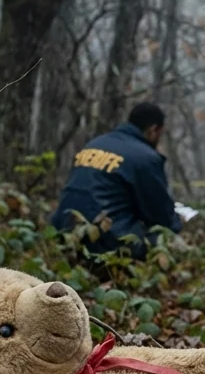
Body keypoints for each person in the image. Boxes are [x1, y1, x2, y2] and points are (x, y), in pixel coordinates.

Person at [51, 102, 182, 260]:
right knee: (165, 240)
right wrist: (177, 221)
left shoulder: (94, 144)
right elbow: (161, 217)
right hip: (106, 241)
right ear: (154, 130)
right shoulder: (146, 157)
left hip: (64, 230)